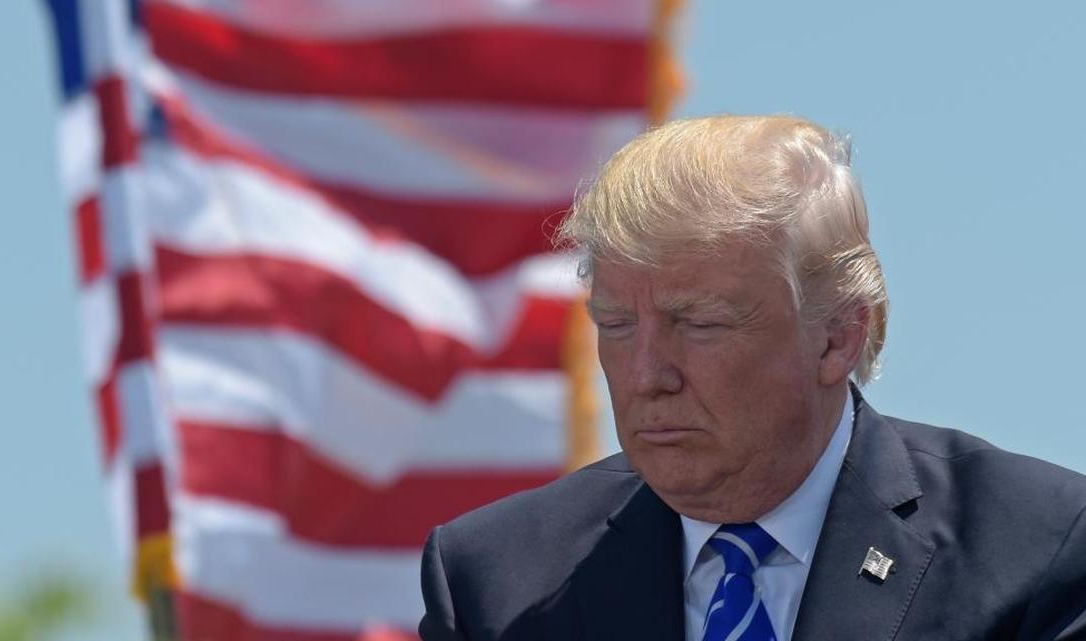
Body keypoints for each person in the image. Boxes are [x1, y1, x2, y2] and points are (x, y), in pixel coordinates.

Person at [417, 115, 1086, 641]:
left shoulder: (1040, 549)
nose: (647, 374)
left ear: (837, 335)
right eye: (616, 324)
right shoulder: (494, 580)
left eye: (700, 323)